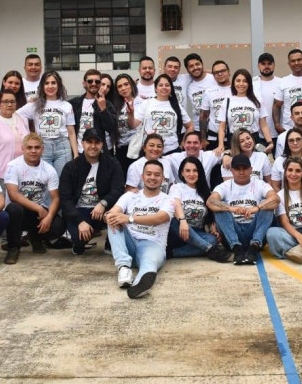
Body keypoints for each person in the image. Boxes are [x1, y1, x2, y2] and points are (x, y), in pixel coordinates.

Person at [105, 160, 175, 299]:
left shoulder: (168, 200)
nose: (152, 178)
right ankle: (124, 268)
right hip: (129, 242)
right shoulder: (130, 196)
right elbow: (112, 213)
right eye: (149, 174)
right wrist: (110, 216)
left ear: (163, 178)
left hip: (152, 244)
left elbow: (159, 218)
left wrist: (129, 218)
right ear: (142, 176)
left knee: (149, 265)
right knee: (113, 219)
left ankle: (139, 286)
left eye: (157, 175)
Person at [59, 128, 125, 255]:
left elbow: (118, 189)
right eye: (89, 142)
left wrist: (103, 203)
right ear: (82, 143)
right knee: (79, 239)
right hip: (80, 211)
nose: (93, 146)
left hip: (103, 210)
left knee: (120, 213)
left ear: (102, 144)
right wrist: (79, 221)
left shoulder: (112, 163)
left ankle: (109, 243)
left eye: (97, 142)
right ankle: (81, 238)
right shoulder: (71, 167)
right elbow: (65, 199)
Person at [207, 154, 280, 265]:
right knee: (220, 209)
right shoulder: (225, 186)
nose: (241, 172)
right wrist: (231, 208)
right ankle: (237, 248)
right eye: (237, 169)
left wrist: (257, 208)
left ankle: (254, 247)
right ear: (231, 170)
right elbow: (210, 201)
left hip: (254, 231)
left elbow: (276, 199)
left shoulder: (260, 184)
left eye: (245, 168)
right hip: (232, 233)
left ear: (251, 170)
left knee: (267, 207)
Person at [3, 133, 64, 264]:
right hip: (19, 212)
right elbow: (13, 195)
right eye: (29, 147)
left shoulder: (49, 169)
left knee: (58, 226)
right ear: (23, 149)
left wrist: (49, 217)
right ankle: (13, 246)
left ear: (42, 149)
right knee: (14, 209)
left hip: (38, 213)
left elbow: (56, 198)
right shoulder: (13, 166)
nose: (33, 151)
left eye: (37, 147)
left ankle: (35, 236)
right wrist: (39, 209)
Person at [168, 156, 231, 262]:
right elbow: (176, 204)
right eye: (187, 171)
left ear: (200, 172)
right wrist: (183, 221)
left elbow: (210, 214)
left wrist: (213, 230)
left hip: (196, 233)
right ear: (182, 173)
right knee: (175, 220)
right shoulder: (177, 187)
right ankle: (209, 249)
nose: (191, 174)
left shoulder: (206, 192)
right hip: (178, 231)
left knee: (213, 240)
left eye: (195, 171)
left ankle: (171, 253)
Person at [18, 70, 77, 175]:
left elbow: (71, 132)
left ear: (58, 85)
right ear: (42, 86)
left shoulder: (66, 106)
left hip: (63, 147)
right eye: (46, 83)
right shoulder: (34, 105)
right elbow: (14, 115)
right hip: (42, 147)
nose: (50, 86)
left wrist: (76, 154)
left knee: (62, 181)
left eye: (53, 83)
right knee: (44, 182)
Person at [217, 69, 273, 154]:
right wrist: (221, 145)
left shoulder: (257, 101)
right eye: (238, 81)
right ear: (233, 83)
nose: (241, 84)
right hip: (234, 140)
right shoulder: (227, 101)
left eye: (245, 81)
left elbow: (263, 124)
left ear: (249, 83)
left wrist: (270, 142)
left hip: (253, 139)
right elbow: (222, 127)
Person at [134, 74, 193, 155]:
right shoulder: (146, 103)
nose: (164, 87)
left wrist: (183, 143)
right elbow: (134, 124)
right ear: (155, 88)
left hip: (172, 151)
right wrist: (130, 114)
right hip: (151, 150)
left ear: (171, 88)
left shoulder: (176, 105)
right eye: (160, 85)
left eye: (167, 85)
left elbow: (190, 126)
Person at [0, 90, 30, 185]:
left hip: (23, 173)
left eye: (12, 101)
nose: (9, 104)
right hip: (1, 175)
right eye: (5, 102)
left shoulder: (23, 120)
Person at [70, 69, 116, 152]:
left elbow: (111, 128)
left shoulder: (107, 104)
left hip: (100, 152)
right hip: (80, 151)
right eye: (90, 81)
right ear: (84, 84)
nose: (94, 84)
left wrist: (103, 109)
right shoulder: (74, 103)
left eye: (97, 82)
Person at [273, 48, 302, 135]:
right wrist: (277, 125)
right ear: (289, 64)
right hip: (288, 129)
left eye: (299, 60)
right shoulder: (283, 81)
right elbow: (276, 105)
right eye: (293, 61)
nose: (296, 63)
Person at [109, 73, 140, 173]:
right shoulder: (114, 105)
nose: (123, 88)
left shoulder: (141, 102)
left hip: (137, 148)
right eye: (119, 86)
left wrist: (131, 114)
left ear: (132, 85)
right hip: (120, 149)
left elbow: (133, 126)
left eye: (126, 84)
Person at [199, 60, 233, 148]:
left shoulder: (237, 89)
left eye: (223, 71)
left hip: (234, 137)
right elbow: (203, 116)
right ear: (213, 75)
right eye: (216, 72)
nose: (220, 74)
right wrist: (203, 139)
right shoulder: (209, 92)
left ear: (229, 72)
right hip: (213, 137)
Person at [185, 52, 217, 133]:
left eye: (197, 64)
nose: (195, 67)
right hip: (198, 129)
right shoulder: (187, 84)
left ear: (202, 64)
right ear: (187, 69)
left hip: (216, 128)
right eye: (191, 66)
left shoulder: (214, 78)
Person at [256, 52, 282, 143]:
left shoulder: (282, 83)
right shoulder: (252, 83)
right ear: (258, 66)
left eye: (269, 64)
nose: (266, 66)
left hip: (278, 132)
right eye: (263, 64)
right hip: (257, 134)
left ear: (274, 65)